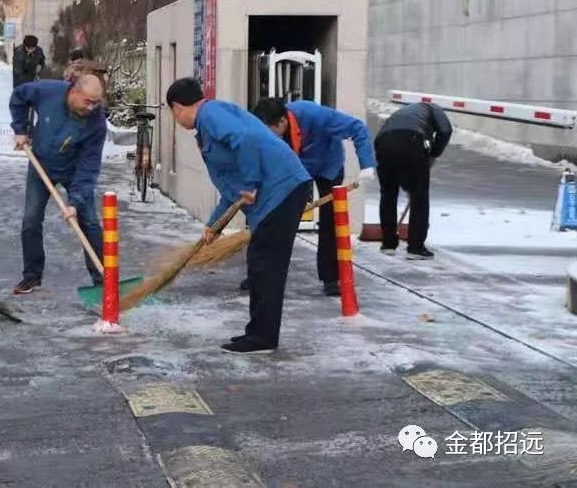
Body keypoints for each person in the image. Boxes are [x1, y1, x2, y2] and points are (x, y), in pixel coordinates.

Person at [166, 78, 312, 355]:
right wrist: (214, 225)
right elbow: (231, 190)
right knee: (261, 263)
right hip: (278, 192)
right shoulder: (210, 122)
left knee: (265, 264)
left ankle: (262, 337)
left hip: (281, 189)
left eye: (173, 113)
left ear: (177, 107)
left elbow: (245, 140)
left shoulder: (210, 115)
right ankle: (259, 332)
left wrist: (251, 182)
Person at [252, 97, 376, 297]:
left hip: (329, 166)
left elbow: (357, 128)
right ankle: (261, 274)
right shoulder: (270, 130)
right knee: (278, 219)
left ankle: (331, 278)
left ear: (282, 121)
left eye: (270, 131)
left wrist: (366, 164)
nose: (268, 136)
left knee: (330, 221)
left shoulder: (314, 115)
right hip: (297, 169)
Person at [9, 74, 107, 294]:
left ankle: (102, 280)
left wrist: (75, 202)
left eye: (96, 102)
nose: (91, 107)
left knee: (89, 223)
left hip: (74, 172)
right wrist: (20, 129)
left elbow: (89, 166)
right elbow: (19, 96)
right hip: (40, 165)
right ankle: (32, 276)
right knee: (31, 220)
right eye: (88, 101)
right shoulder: (48, 91)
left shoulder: (96, 122)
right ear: (74, 92)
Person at [374, 102, 453, 260]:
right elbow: (446, 130)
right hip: (412, 140)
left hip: (382, 142)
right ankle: (416, 248)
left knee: (388, 194)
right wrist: (434, 154)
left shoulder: (404, 111)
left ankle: (388, 244)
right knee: (419, 197)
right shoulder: (434, 109)